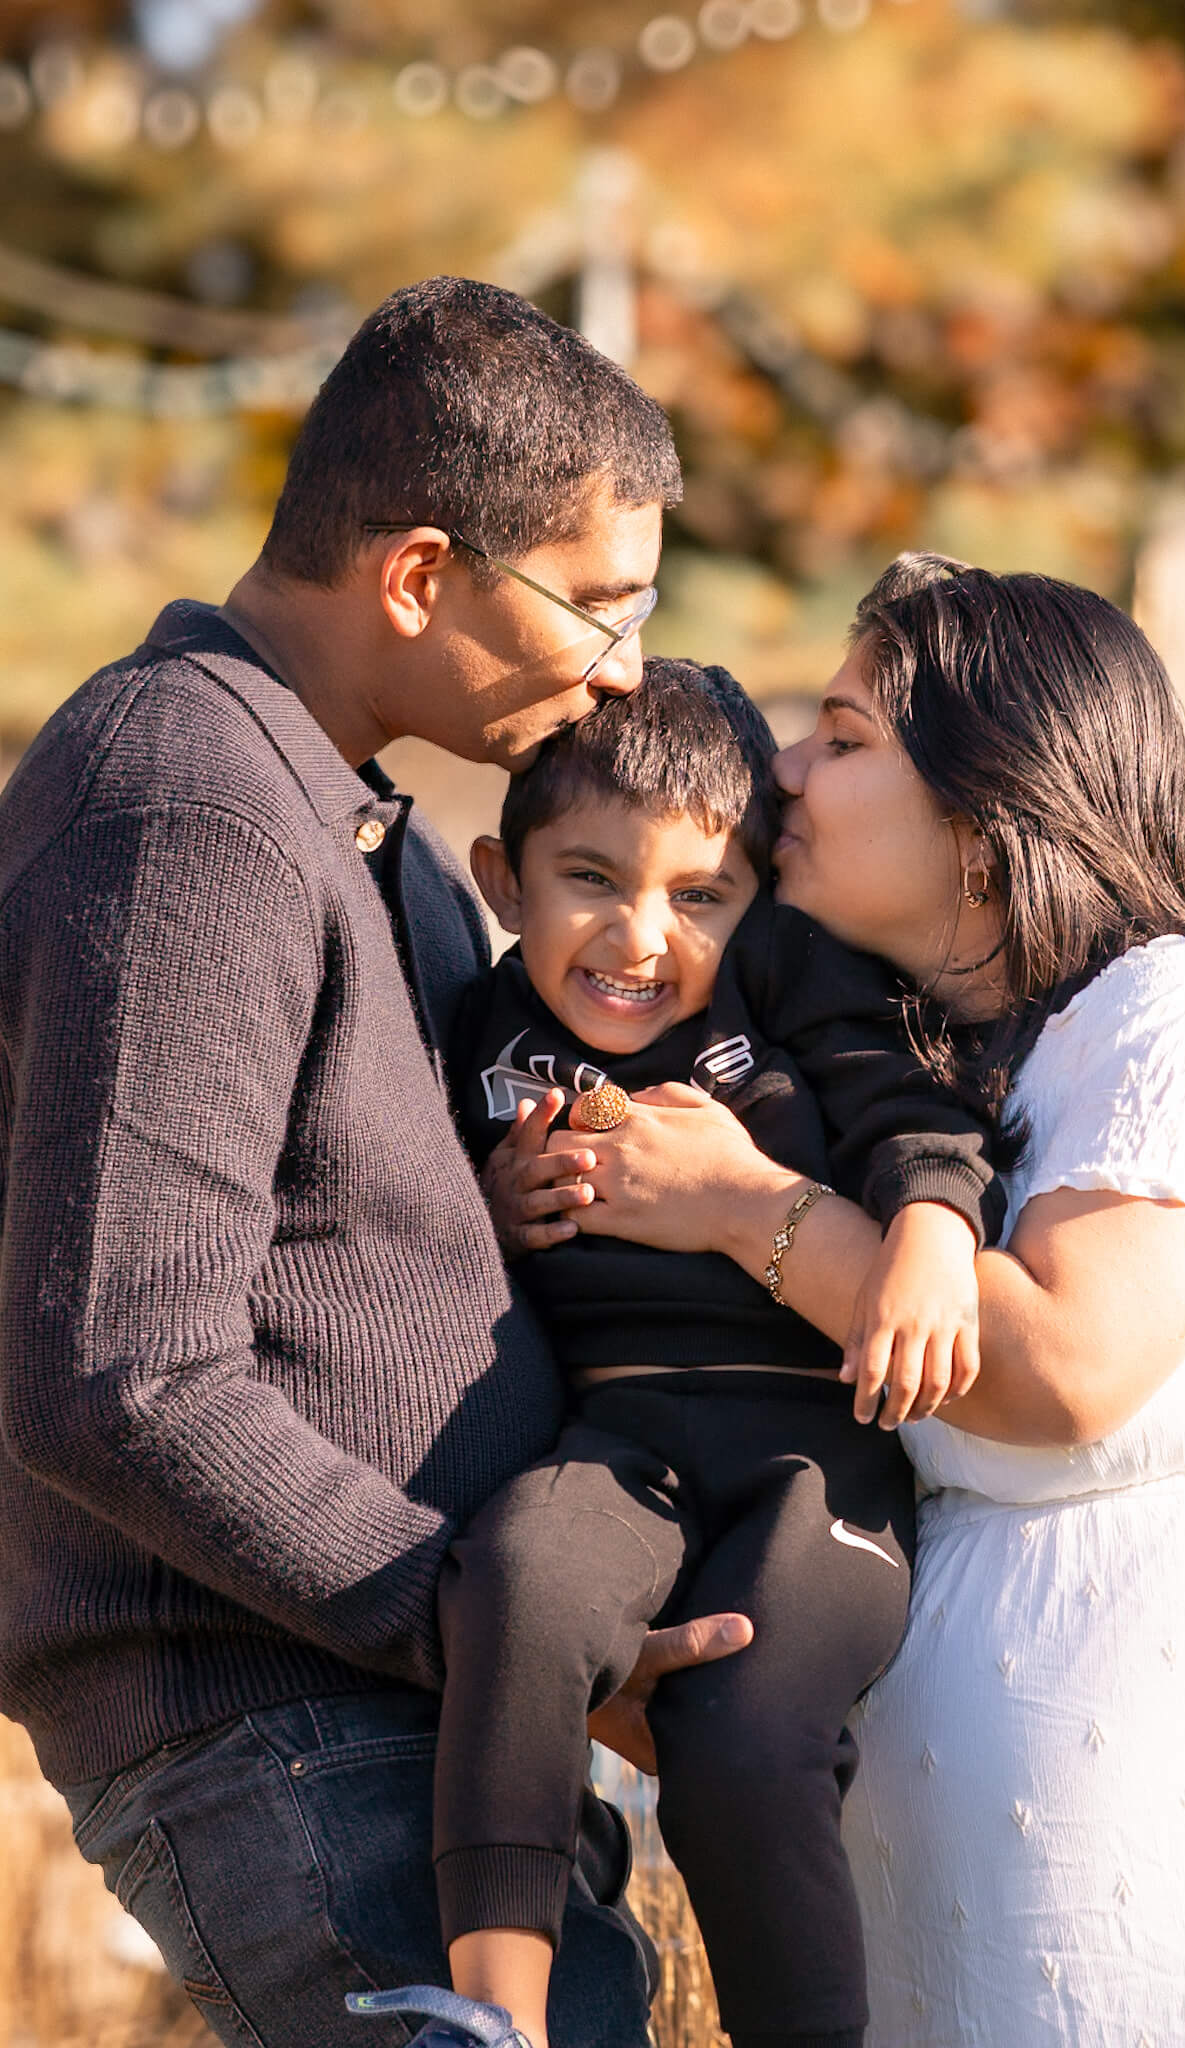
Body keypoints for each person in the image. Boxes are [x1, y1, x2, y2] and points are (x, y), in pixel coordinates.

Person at [497, 553, 1185, 2045]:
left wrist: (737, 1208)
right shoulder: (906, 1079)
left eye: (842, 737)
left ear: (985, 822)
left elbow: (1061, 1363)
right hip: (977, 1937)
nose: (782, 772)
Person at [0, 275, 747, 2048]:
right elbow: (118, 1370)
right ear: (419, 575)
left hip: (400, 1714)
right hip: (285, 1724)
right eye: (597, 607)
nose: (625, 668)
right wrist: (490, 1628)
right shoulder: (184, 806)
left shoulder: (351, 816)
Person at [428, 655, 999, 2048]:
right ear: (502, 881)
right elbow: (399, 1231)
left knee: (740, 1741)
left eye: (697, 896)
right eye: (588, 880)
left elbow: (906, 1107)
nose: (638, 938)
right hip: (617, 1447)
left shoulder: (787, 986)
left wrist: (930, 1225)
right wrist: (488, 1210)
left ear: (754, 902)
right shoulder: (474, 1028)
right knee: (513, 1579)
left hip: (819, 1460)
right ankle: (493, 2016)